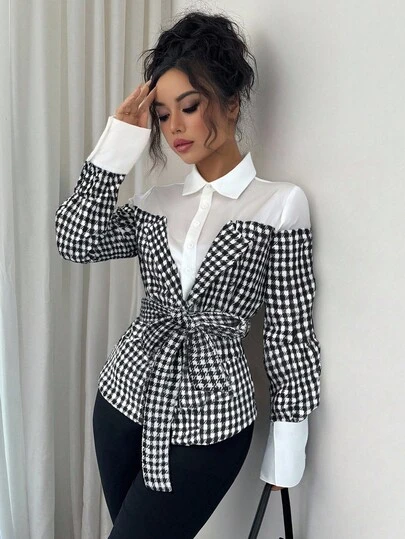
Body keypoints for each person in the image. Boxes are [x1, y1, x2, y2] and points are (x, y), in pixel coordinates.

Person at [55, 9, 321, 539]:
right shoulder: (156, 203)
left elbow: (289, 332)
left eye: (190, 107)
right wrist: (117, 146)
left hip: (210, 421)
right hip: (121, 404)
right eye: (161, 114)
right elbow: (75, 241)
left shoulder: (279, 206)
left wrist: (288, 442)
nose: (174, 127)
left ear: (231, 102)